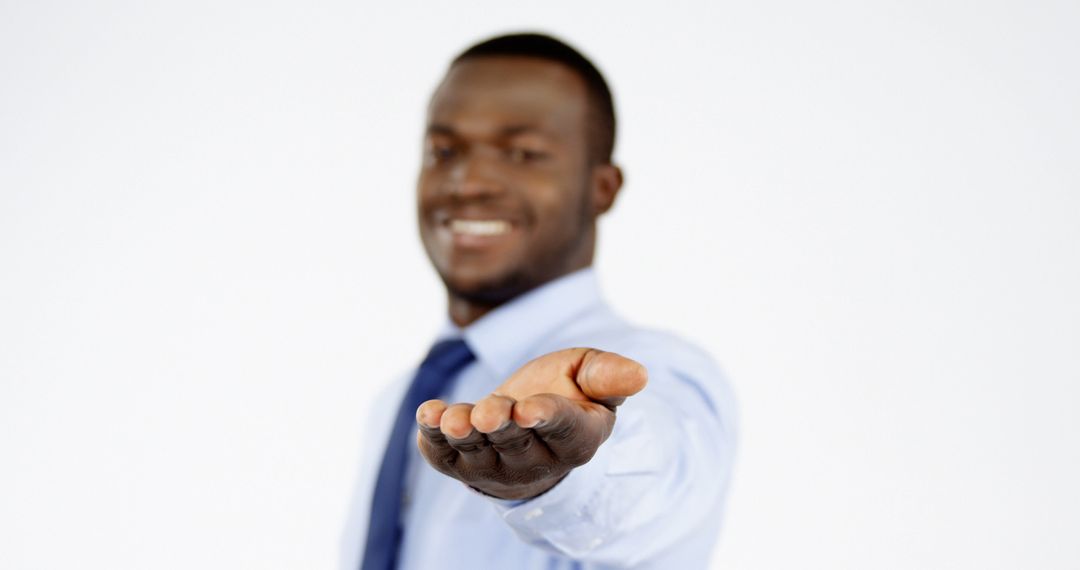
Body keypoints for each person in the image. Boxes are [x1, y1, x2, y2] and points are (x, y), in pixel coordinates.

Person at [341, 33, 737, 570]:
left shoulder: (658, 376)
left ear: (602, 188)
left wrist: (563, 470)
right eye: (444, 151)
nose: (467, 182)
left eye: (522, 153)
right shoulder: (400, 402)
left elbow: (652, 482)